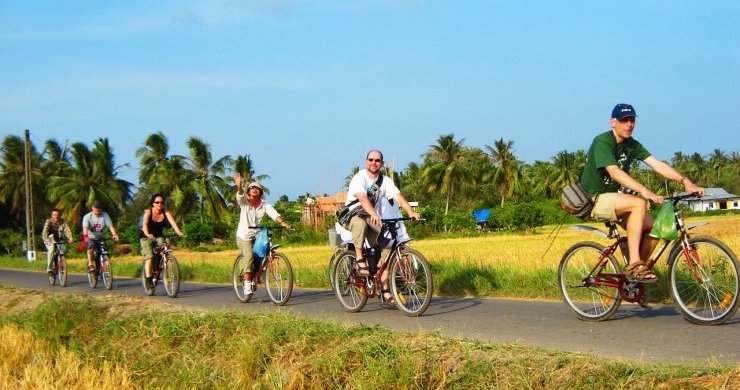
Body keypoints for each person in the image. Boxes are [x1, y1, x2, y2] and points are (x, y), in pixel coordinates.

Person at [580, 103, 705, 282]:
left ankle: (635, 274)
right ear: (613, 122)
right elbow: (614, 172)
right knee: (639, 202)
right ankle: (635, 262)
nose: (629, 124)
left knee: (657, 229)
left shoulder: (632, 145)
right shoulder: (602, 141)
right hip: (595, 198)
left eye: (632, 120)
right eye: (624, 120)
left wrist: (686, 182)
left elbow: (656, 164)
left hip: (615, 199)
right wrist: (644, 191)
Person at [343, 149, 420, 303]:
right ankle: (359, 258)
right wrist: (374, 213)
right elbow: (363, 199)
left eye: (377, 160)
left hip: (372, 217)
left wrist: (411, 212)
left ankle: (383, 286)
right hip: (352, 215)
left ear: (382, 164)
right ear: (366, 162)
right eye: (371, 160)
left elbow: (398, 197)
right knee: (360, 223)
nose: (374, 163)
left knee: (388, 242)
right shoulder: (360, 178)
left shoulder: (385, 181)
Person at [234, 172, 292, 296]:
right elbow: (239, 195)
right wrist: (239, 186)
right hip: (244, 236)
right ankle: (247, 283)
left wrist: (283, 223)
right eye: (252, 188)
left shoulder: (264, 204)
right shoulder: (244, 202)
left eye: (258, 188)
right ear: (248, 191)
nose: (255, 190)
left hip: (256, 235)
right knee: (249, 256)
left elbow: (274, 214)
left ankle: (257, 274)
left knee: (264, 252)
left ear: (261, 192)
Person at [139, 194, 185, 289]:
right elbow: (145, 224)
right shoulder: (148, 212)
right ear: (153, 203)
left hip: (159, 235)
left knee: (165, 247)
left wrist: (179, 232)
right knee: (149, 256)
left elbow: (173, 223)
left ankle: (158, 268)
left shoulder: (165, 212)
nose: (159, 204)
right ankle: (148, 279)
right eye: (157, 202)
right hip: (146, 236)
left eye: (161, 202)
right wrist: (148, 234)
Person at [82, 200, 120, 273]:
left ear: (101, 208)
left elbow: (110, 226)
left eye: (99, 208)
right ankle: (90, 264)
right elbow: (85, 229)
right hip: (90, 237)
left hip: (101, 237)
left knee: (105, 252)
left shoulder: (104, 215)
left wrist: (115, 235)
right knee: (90, 248)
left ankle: (104, 269)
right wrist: (86, 237)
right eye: (96, 208)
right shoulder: (87, 217)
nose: (97, 210)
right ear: (92, 208)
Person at [41, 208, 74, 276]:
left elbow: (67, 230)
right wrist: (48, 241)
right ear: (52, 215)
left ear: (59, 215)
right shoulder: (48, 221)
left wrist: (70, 238)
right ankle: (50, 269)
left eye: (57, 215)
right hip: (49, 239)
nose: (56, 216)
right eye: (54, 215)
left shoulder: (62, 222)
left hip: (59, 239)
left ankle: (61, 262)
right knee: (52, 249)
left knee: (63, 249)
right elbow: (44, 233)